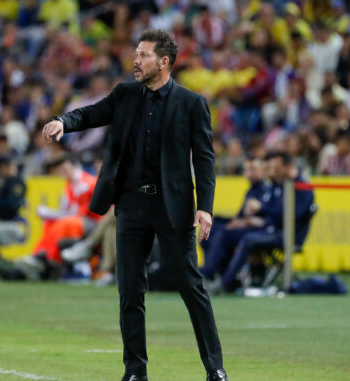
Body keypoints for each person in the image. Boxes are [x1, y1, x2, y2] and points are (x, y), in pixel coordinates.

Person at [42, 29, 228, 381]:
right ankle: (135, 372)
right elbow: (91, 113)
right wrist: (63, 122)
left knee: (191, 288)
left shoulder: (192, 104)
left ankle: (215, 368)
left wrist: (205, 207)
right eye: (135, 53)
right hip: (130, 205)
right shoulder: (125, 94)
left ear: (164, 62)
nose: (135, 60)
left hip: (173, 208)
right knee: (130, 291)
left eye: (143, 55)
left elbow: (205, 160)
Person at [216, 151, 315, 292]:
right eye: (271, 168)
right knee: (226, 231)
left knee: (248, 238)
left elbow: (290, 216)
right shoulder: (280, 184)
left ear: (288, 167)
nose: (272, 172)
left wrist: (262, 214)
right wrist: (255, 219)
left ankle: (225, 283)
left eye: (276, 168)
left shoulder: (302, 188)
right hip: (272, 229)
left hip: (286, 235)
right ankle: (220, 276)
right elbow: (274, 210)